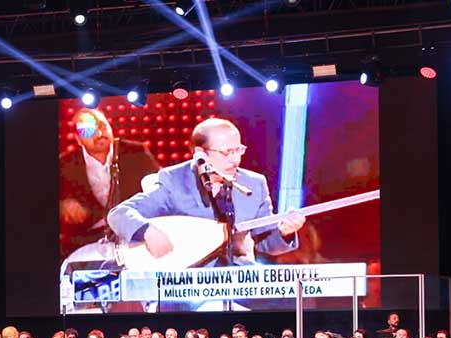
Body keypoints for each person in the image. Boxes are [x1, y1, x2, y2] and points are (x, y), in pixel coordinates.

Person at [106, 118, 305, 303]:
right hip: (185, 287)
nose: (235, 160)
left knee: (290, 303)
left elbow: (267, 243)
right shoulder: (175, 180)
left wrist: (285, 232)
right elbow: (119, 214)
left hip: (238, 285)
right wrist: (147, 231)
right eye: (227, 152)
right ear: (200, 153)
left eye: (239, 150)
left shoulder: (254, 184)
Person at [59, 108, 161, 256]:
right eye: (89, 130)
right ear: (78, 139)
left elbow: (159, 191)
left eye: (102, 126)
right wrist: (62, 206)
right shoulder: (65, 165)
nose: (99, 134)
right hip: (85, 242)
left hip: (133, 235)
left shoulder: (136, 153)